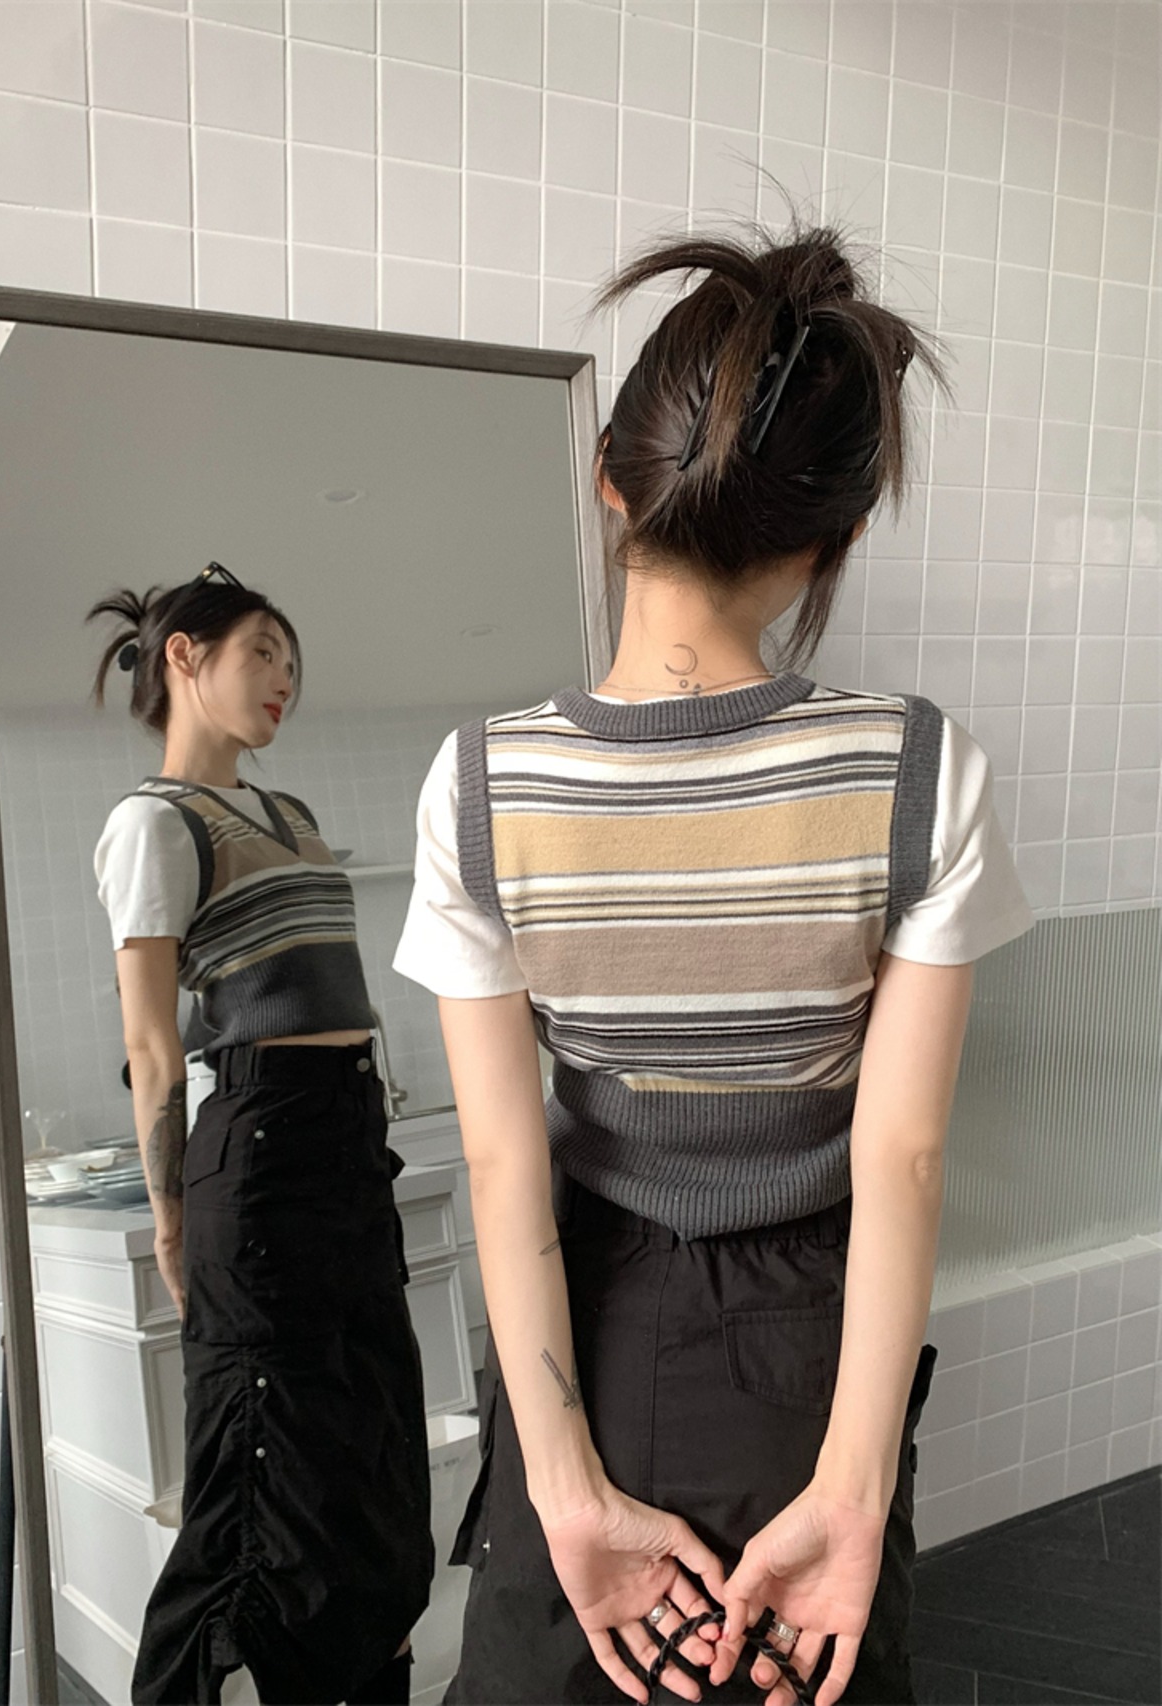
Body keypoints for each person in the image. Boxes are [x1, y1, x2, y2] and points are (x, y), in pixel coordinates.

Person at [391, 224, 1035, 1706]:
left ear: (610, 480)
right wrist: (854, 1492)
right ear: (835, 535)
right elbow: (904, 1155)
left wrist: (561, 1485)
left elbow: (500, 1159)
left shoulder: (479, 782)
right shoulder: (919, 771)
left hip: (584, 1323)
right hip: (815, 1344)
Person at [88, 562, 435, 1705]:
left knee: (373, 1438)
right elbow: (151, 1044)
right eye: (262, 652)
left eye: (291, 659)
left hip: (346, 1142)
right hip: (259, 1146)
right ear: (184, 656)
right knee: (254, 1469)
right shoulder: (153, 822)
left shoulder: (292, 816)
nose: (284, 677)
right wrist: (171, 1214)